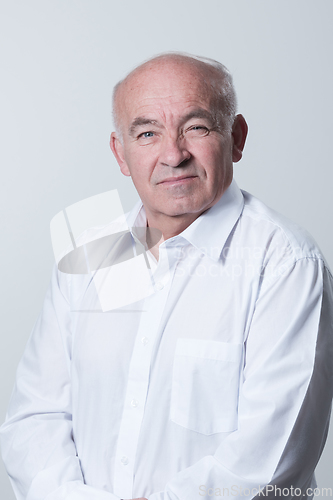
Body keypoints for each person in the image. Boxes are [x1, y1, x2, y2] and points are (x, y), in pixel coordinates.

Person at [1, 52, 333, 500]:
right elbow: (33, 420)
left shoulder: (285, 264)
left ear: (235, 138)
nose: (173, 154)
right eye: (147, 133)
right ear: (121, 153)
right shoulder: (91, 256)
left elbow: (270, 465)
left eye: (196, 127)